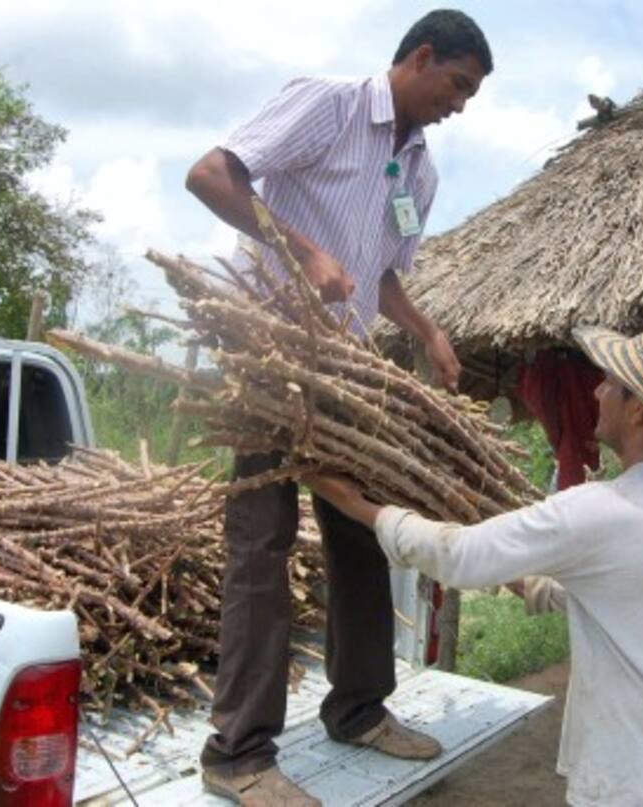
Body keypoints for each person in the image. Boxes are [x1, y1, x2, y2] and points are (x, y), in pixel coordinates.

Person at [184, 9, 492, 806]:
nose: (460, 105)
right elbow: (213, 173)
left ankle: (357, 708)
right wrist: (304, 249)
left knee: (363, 533)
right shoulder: (329, 105)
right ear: (420, 58)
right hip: (269, 354)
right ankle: (238, 752)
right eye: (457, 84)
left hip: (345, 369)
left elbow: (383, 274)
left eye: (470, 95)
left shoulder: (419, 170)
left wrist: (426, 330)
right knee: (263, 540)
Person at [309, 325, 643, 806]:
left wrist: (355, 504)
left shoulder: (599, 511)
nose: (596, 390)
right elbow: (636, 592)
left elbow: (456, 555)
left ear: (638, 411)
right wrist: (531, 582)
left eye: (609, 381)